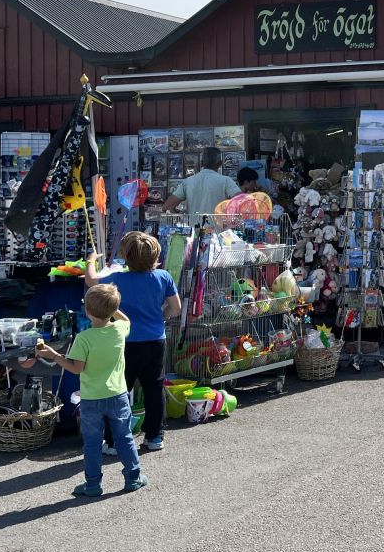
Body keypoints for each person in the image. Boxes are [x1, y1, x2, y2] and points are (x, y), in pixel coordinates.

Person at [35, 284, 148, 497]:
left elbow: (77, 368)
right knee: (124, 437)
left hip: (91, 399)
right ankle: (133, 477)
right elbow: (126, 320)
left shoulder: (84, 338)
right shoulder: (118, 330)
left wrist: (54, 355)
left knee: (93, 443)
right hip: (118, 395)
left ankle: (93, 484)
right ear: (114, 309)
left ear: (87, 311)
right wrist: (111, 306)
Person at [86, 231, 180, 452]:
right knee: (154, 389)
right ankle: (154, 437)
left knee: (119, 391)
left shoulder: (117, 278)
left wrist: (91, 260)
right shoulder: (164, 277)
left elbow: (91, 281)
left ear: (125, 256)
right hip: (156, 340)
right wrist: (160, 317)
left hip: (123, 341)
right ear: (156, 255)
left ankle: (114, 441)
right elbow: (175, 308)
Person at [164, 146, 239, 218]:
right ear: (220, 163)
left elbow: (166, 206)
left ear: (201, 163)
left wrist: (181, 218)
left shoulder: (188, 182)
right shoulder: (226, 181)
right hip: (219, 229)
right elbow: (241, 200)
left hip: (196, 229)